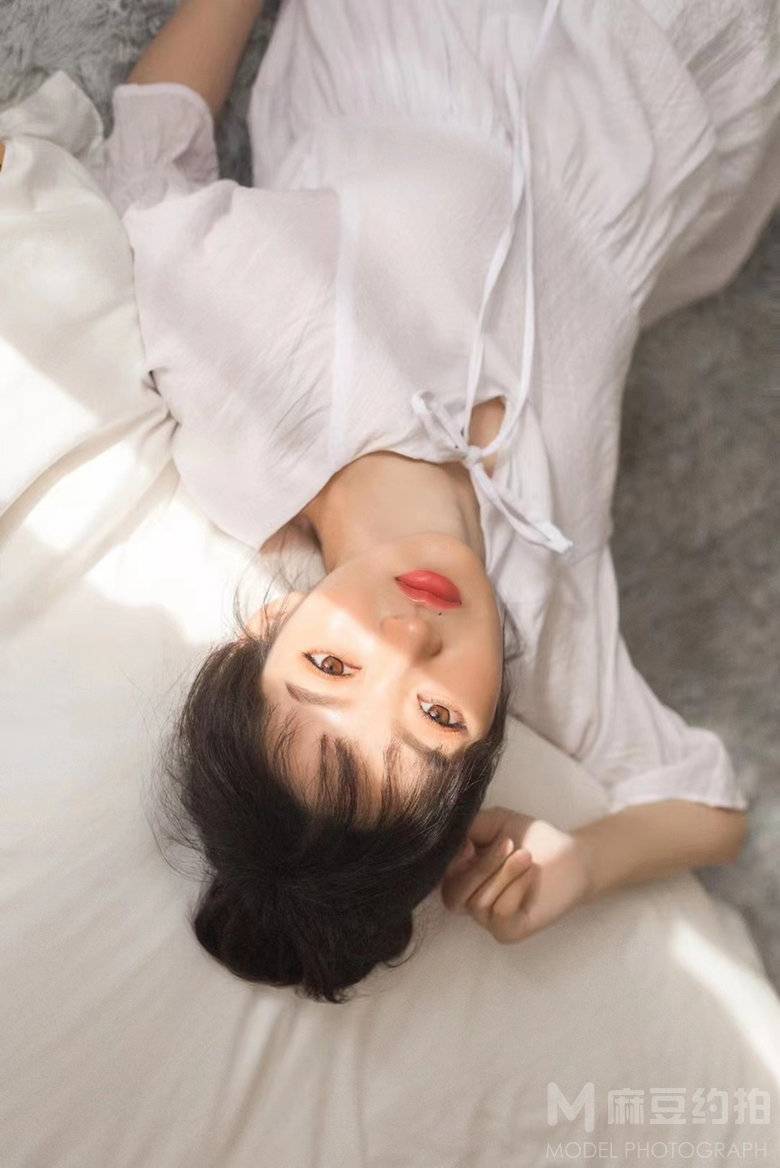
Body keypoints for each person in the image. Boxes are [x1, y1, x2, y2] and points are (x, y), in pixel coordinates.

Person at [60, 0, 779, 1002]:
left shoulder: (254, 400)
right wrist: (583, 860)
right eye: (436, 716)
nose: (408, 640)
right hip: (677, 90)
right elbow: (708, 809)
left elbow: (146, 174)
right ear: (489, 739)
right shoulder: (544, 625)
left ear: (264, 628)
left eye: (330, 664)